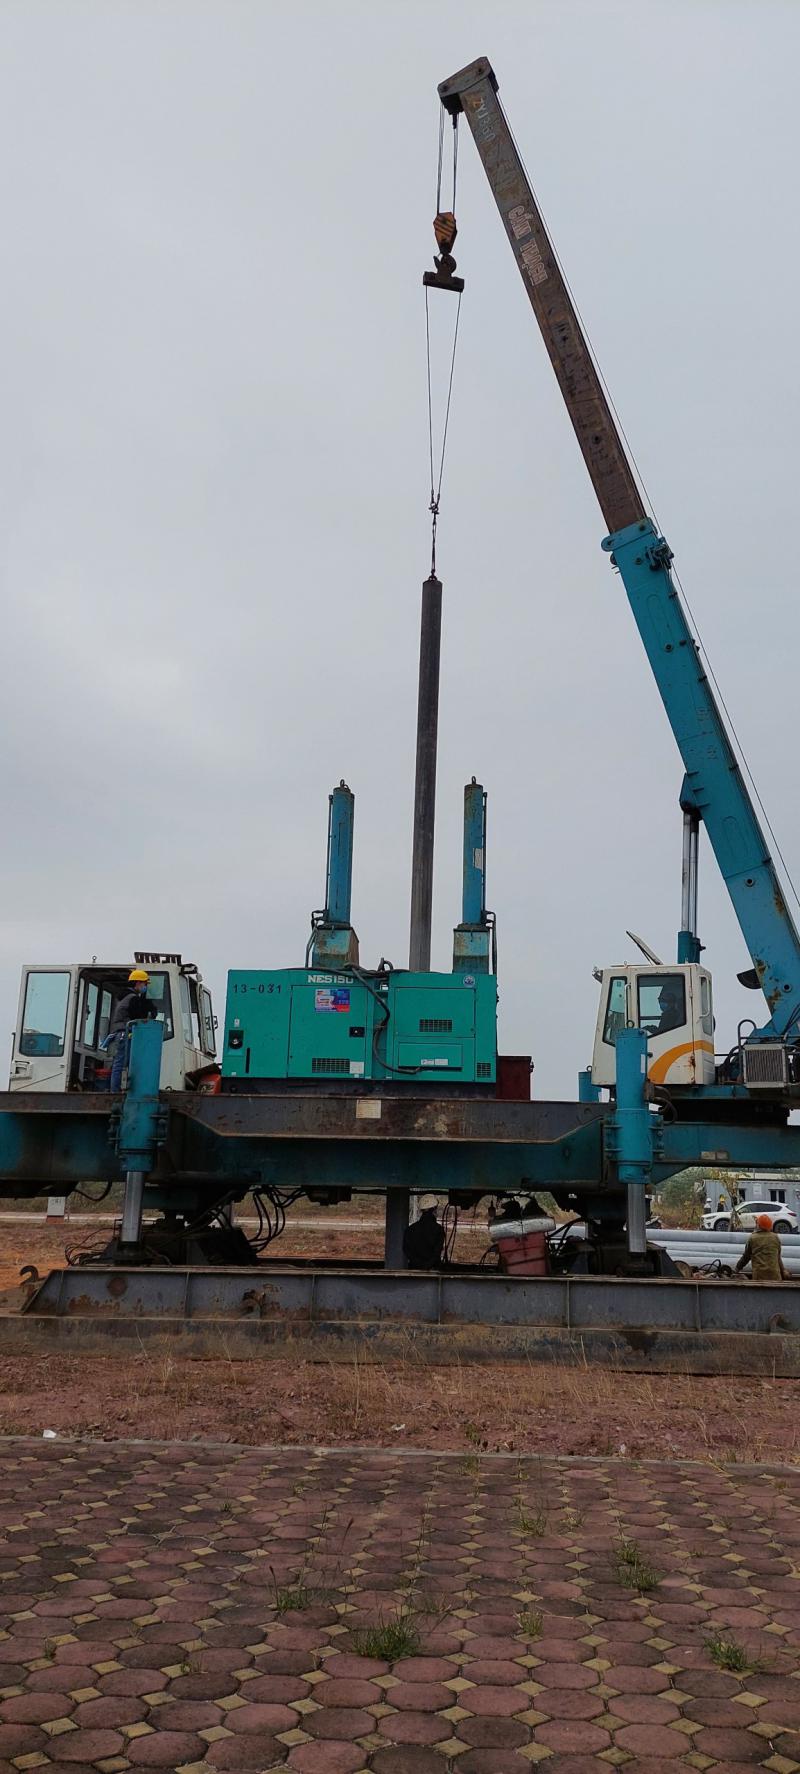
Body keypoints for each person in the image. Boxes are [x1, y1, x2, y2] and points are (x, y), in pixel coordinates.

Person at [107, 968, 155, 1091]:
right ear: (138, 983)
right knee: (121, 1062)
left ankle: (117, 1089)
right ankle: (115, 1092)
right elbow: (137, 1017)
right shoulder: (132, 998)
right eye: (145, 984)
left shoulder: (126, 996)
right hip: (124, 1033)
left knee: (121, 1062)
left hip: (121, 1032)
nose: (145, 987)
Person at [735, 1213, 789, 1282]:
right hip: (775, 1277)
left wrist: (737, 1268)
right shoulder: (775, 1237)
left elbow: (746, 1257)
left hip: (759, 1278)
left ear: (758, 1225)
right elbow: (778, 1257)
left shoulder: (752, 1238)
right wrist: (783, 1270)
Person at [403, 1194, 445, 1270]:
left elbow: (407, 1250)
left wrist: (419, 1265)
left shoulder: (410, 1229)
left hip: (414, 1270)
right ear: (434, 1209)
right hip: (433, 1270)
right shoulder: (438, 1229)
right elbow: (437, 1252)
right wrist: (427, 1266)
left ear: (421, 1210)